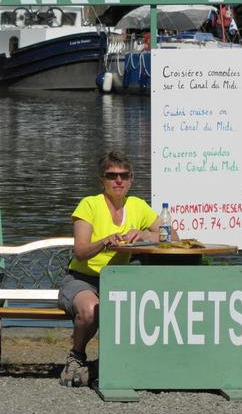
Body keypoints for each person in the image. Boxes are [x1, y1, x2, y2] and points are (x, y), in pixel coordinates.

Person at [57, 151, 178, 387]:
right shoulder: (89, 204)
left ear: (132, 179)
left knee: (151, 306)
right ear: (101, 179)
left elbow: (172, 237)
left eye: (124, 175)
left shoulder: (138, 206)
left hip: (119, 282)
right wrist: (104, 241)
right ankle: (76, 356)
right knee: (91, 310)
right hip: (83, 279)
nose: (119, 180)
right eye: (112, 175)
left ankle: (120, 362)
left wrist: (143, 234)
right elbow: (80, 251)